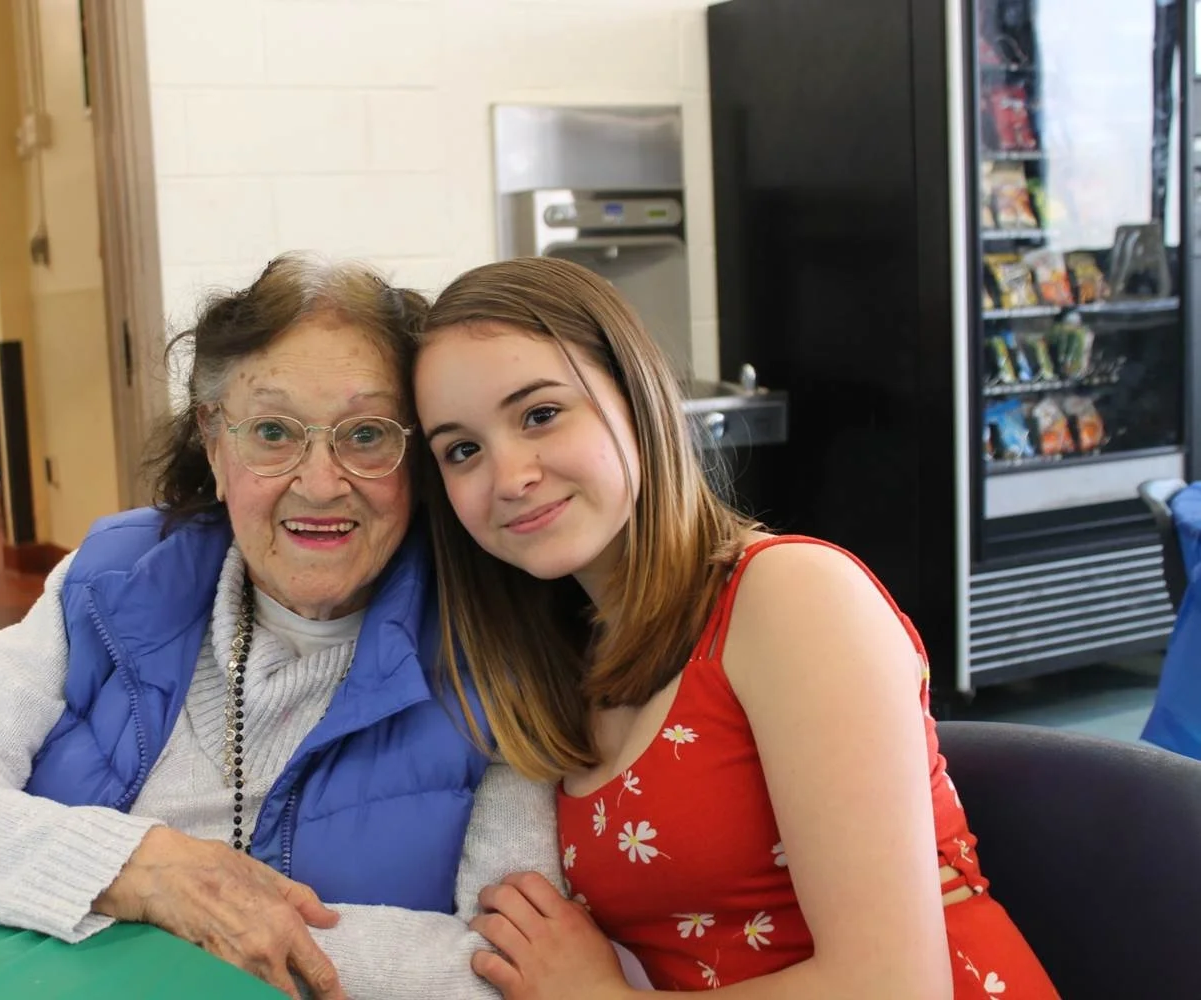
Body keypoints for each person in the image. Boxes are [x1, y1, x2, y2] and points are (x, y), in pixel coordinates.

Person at [0, 254, 562, 1000]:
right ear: (215, 445)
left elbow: (506, 972)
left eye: (367, 434)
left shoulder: (496, 644)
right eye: (272, 431)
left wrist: (225, 930)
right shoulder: (113, 581)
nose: (320, 483)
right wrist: (143, 871)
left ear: (418, 457)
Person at [411, 256, 1059, 1000]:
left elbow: (895, 987)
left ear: (637, 399)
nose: (509, 476)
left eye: (540, 414)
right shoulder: (569, 654)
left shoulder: (790, 596)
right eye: (462, 450)